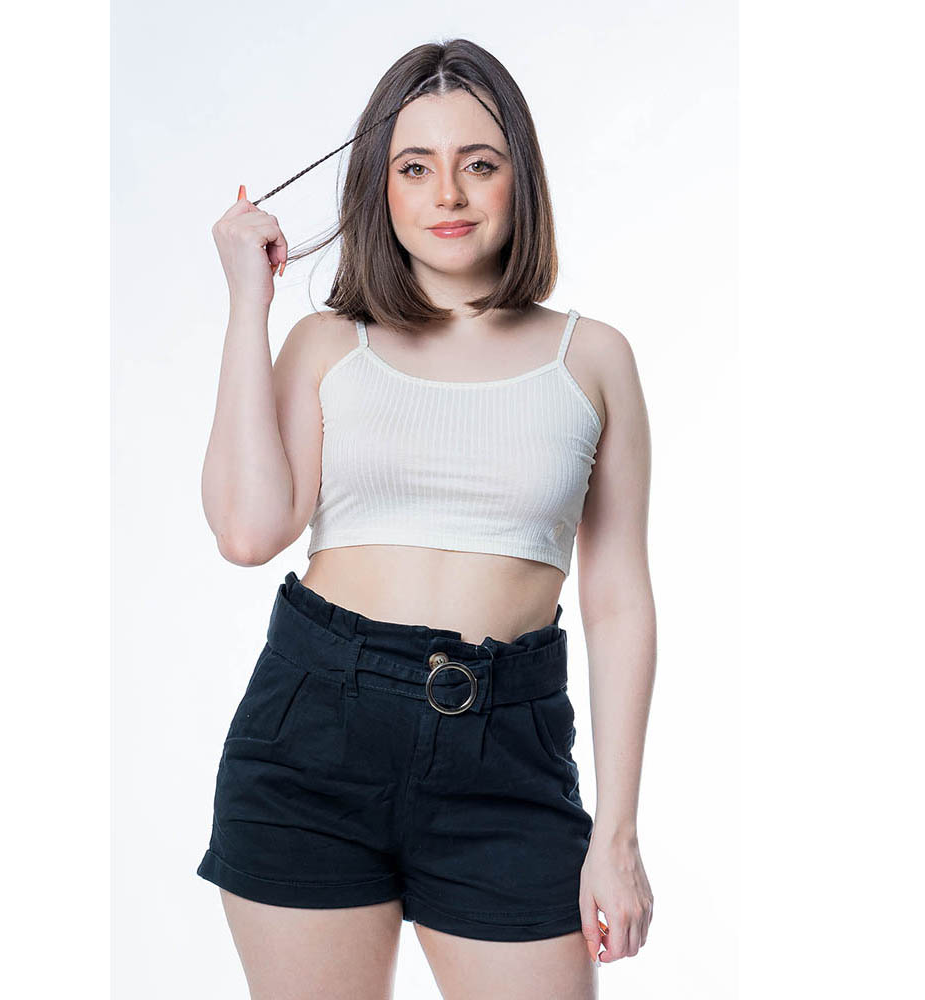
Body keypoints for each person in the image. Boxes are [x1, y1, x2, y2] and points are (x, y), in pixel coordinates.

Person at [197, 38, 655, 999]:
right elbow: (247, 531)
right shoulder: (328, 344)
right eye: (415, 167)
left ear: (520, 178)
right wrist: (249, 303)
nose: (448, 193)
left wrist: (616, 835)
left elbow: (618, 604)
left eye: (478, 164)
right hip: (311, 743)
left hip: (510, 757)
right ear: (379, 184)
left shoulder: (593, 359)